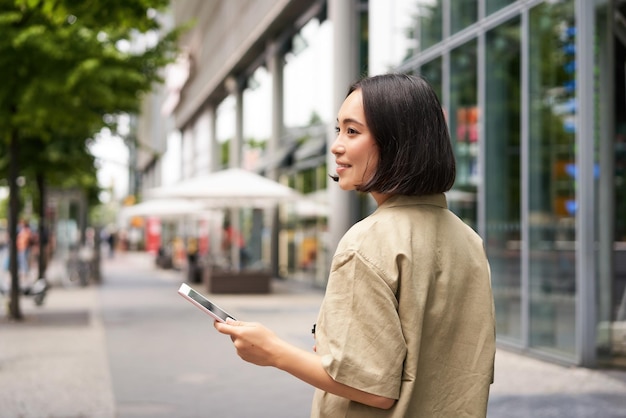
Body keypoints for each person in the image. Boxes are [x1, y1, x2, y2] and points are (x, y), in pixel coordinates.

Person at [215, 73, 496, 417]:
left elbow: (371, 388)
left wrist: (273, 351)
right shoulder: (467, 239)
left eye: (352, 131)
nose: (336, 145)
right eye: (338, 130)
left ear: (397, 142)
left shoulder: (368, 241)